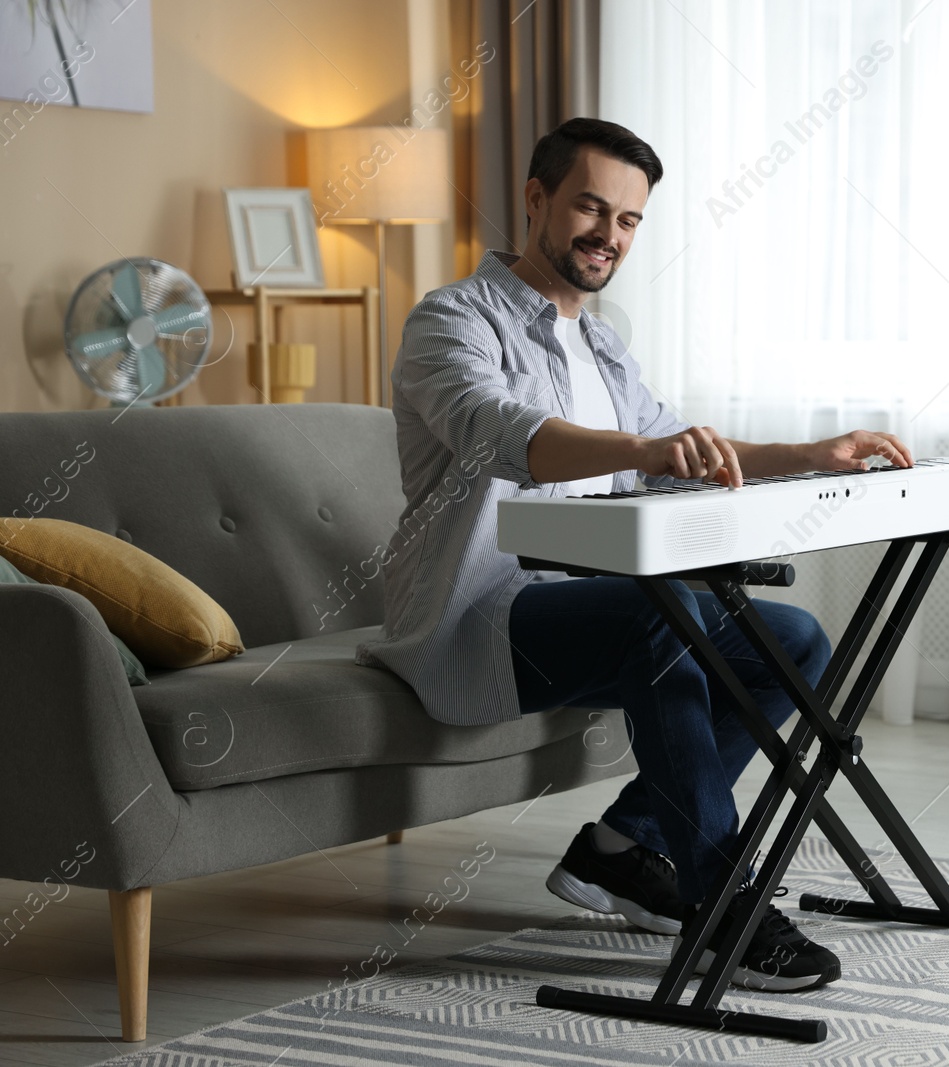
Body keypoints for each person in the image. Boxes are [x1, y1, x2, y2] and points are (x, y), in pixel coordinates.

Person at [356, 117, 912, 993]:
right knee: (664, 620)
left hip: (595, 606)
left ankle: (624, 848)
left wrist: (809, 454)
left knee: (795, 641)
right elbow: (505, 433)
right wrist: (642, 453)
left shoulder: (603, 342)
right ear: (536, 199)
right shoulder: (450, 321)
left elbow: (675, 449)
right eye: (589, 207)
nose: (607, 235)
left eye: (628, 221)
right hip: (480, 615)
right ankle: (721, 899)